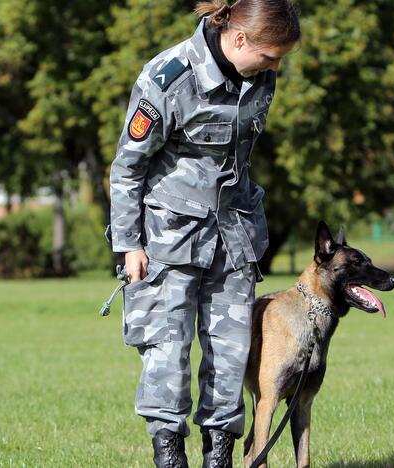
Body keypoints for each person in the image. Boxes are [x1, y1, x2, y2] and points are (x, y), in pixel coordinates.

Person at [108, 1, 300, 466]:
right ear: (239, 40)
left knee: (232, 356)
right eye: (271, 56)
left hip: (234, 237)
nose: (276, 67)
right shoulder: (168, 78)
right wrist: (129, 243)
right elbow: (128, 168)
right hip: (167, 241)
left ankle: (220, 458)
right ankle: (169, 457)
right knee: (166, 353)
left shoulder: (260, 78)